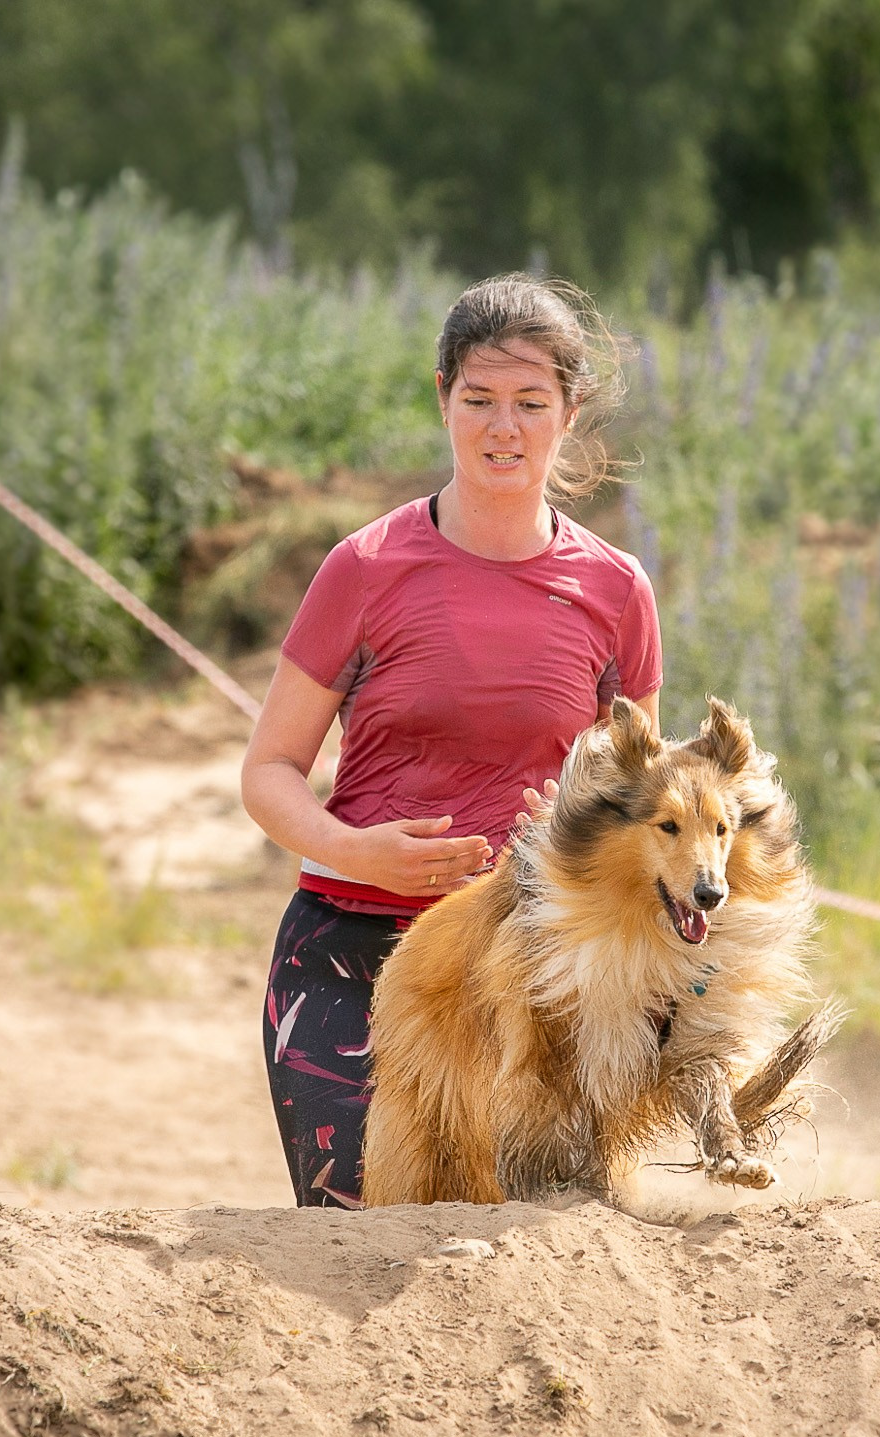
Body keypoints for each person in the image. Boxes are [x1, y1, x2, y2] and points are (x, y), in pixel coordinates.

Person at [237, 275, 663, 1207]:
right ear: (442, 398)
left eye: (529, 404)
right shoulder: (363, 568)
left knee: (514, 1267)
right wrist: (358, 852)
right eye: (477, 401)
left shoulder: (619, 591)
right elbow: (268, 772)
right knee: (357, 1244)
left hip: (530, 978)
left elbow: (643, 815)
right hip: (349, 956)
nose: (501, 429)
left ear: (570, 411)